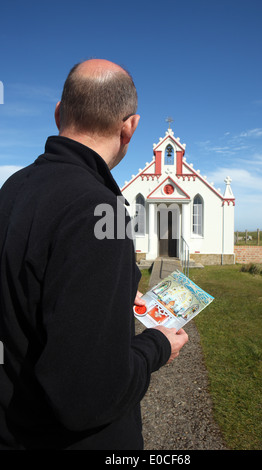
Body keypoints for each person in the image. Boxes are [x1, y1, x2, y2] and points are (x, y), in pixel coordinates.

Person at [0, 59, 188, 450]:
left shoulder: (12, 190)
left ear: (58, 113)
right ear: (129, 127)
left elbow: (31, 294)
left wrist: (116, 294)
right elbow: (89, 395)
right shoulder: (104, 209)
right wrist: (156, 346)